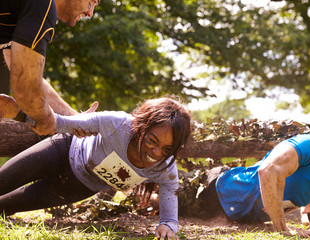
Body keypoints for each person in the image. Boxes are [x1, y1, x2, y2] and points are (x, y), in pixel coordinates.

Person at [0, 97, 191, 240]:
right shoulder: (117, 124)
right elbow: (59, 123)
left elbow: (169, 218)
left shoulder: (165, 169)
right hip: (62, 151)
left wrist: (167, 227)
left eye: (167, 149)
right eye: (152, 141)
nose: (156, 153)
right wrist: (20, 114)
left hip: (77, 187)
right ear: (141, 127)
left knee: (3, 207)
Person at [195, 128, 310, 236]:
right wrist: (283, 229)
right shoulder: (309, 145)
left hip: (236, 216)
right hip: (215, 189)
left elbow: (307, 214)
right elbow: (267, 171)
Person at [0, 0, 100, 135]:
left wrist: (74, 118)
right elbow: (26, 85)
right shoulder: (42, 4)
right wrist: (47, 120)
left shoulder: (22, 8)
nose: (90, 13)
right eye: (91, 3)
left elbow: (24, 73)